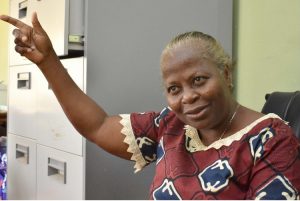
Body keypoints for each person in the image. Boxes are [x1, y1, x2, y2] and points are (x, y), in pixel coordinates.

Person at [1, 13, 300, 200]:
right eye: (174, 89)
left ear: (226, 74)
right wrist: (48, 62)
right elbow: (98, 126)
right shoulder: (171, 125)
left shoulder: (271, 140)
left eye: (198, 80)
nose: (187, 97)